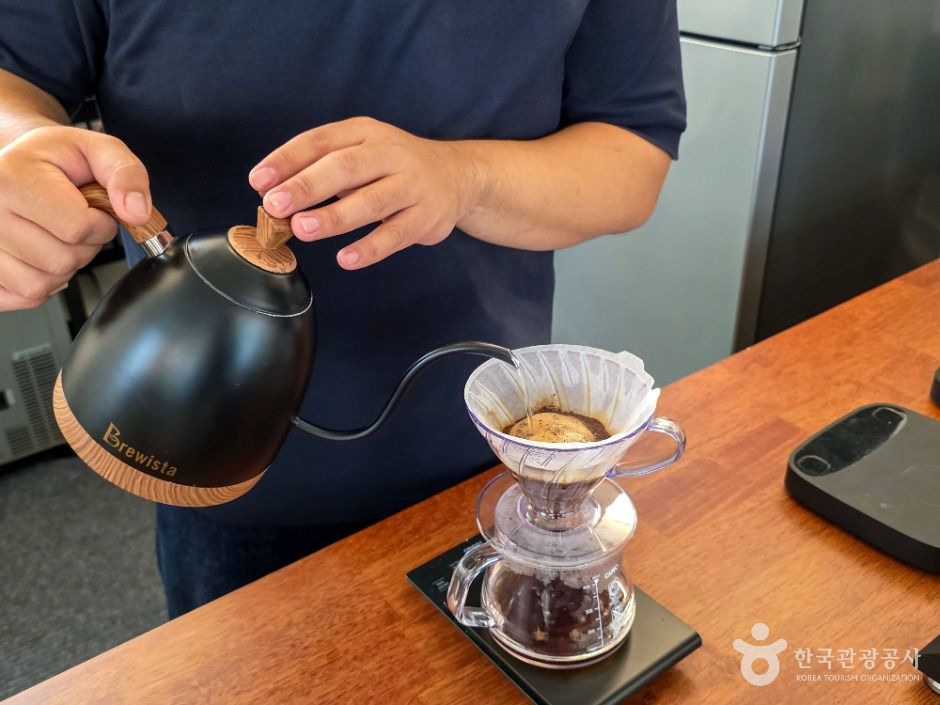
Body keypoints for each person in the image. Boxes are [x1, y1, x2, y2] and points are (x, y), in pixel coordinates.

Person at [0, 2, 685, 617]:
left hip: (484, 460)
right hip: (211, 469)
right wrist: (16, 151)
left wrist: (464, 179)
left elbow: (632, 152)